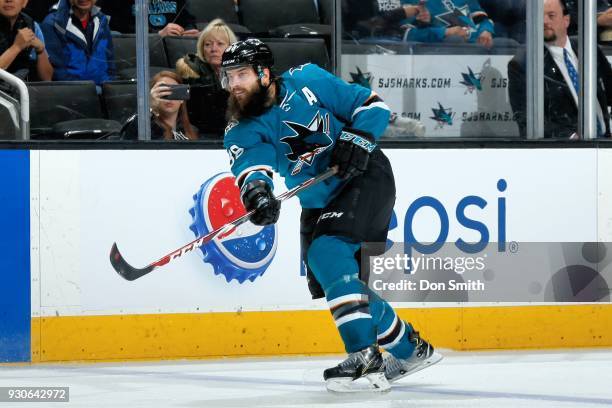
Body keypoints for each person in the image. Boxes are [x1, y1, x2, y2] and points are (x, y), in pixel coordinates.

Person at [221, 38, 442, 393]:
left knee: (325, 252)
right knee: (338, 282)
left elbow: (372, 106)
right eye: (228, 77)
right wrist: (258, 194)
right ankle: (411, 349)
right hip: (316, 200)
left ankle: (364, 357)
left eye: (242, 74)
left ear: (264, 73)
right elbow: (252, 167)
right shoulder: (240, 127)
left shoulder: (307, 79)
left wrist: (358, 138)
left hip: (364, 176)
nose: (234, 85)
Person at [508, 0, 612, 139]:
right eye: (539, 16)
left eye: (551, 15)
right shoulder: (522, 64)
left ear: (566, 20)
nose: (545, 21)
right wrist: (572, 137)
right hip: (566, 150)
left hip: (604, 143)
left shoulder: (588, 47)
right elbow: (525, 120)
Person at [175, 18, 236, 137]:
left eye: (220, 44)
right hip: (201, 136)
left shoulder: (242, 73)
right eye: (208, 44)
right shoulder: (189, 73)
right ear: (202, 49)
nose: (213, 49)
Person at [41, 0, 115, 86]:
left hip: (105, 91)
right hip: (74, 93)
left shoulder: (102, 20)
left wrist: (110, 88)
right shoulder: (52, 24)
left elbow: (111, 65)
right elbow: (58, 74)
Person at [120, 70, 198, 140]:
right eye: (162, 91)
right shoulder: (144, 127)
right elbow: (128, 138)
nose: (169, 98)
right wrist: (149, 106)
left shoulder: (191, 131)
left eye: (174, 91)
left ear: (182, 98)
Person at [0, 0, 53, 81]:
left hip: (24, 90)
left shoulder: (32, 26)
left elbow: (47, 79)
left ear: (24, 2)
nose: (8, 0)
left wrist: (41, 51)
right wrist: (16, 47)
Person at [96, 0, 198, 37]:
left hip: (171, 47)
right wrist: (156, 34)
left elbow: (186, 19)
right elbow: (117, 25)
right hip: (137, 50)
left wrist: (189, 32)